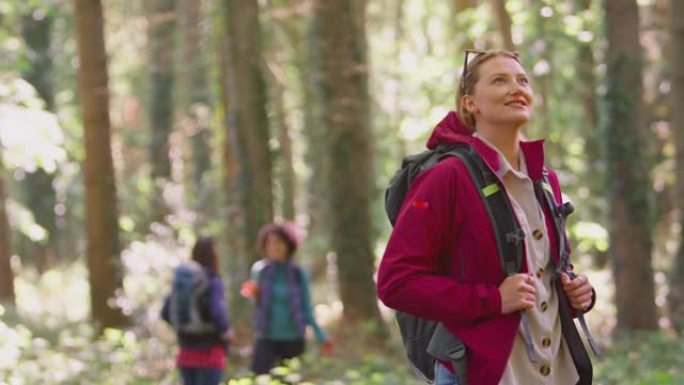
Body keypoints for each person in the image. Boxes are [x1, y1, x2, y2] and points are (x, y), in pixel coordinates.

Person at [376, 49, 596, 385]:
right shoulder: (447, 177)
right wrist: (492, 300)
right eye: (499, 80)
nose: (516, 88)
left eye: (522, 80)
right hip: (485, 371)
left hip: (558, 371)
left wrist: (576, 292)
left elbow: (548, 269)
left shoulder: (546, 178)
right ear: (469, 103)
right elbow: (396, 283)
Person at [240, 222, 333, 375]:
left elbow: (306, 308)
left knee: (289, 379)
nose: (273, 247)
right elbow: (255, 303)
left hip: (293, 337)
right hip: (266, 336)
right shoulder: (259, 270)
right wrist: (254, 294)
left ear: (288, 245)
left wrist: (321, 336)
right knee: (259, 377)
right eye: (269, 242)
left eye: (278, 242)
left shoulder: (298, 273)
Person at [162, 237, 231, 385]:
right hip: (210, 350)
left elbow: (165, 312)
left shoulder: (183, 280)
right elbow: (217, 313)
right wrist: (226, 333)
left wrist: (184, 326)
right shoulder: (212, 279)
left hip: (186, 349)